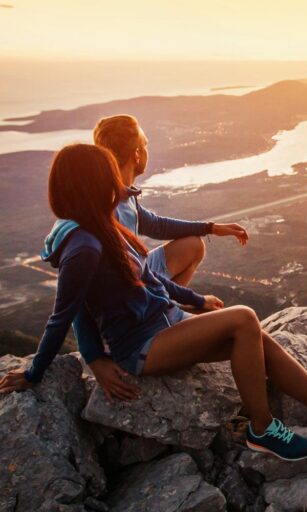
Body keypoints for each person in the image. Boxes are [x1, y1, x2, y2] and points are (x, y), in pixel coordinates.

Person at [0, 144, 307, 461]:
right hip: (143, 347)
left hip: (167, 323)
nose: (118, 181)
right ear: (93, 184)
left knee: (256, 338)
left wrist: (197, 301)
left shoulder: (104, 226)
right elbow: (65, 313)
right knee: (245, 318)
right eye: (109, 175)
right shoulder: (82, 245)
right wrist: (42, 371)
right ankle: (263, 429)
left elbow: (152, 280)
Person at [85, 114, 249, 401]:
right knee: (237, 322)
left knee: (193, 245)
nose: (148, 148)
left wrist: (211, 228)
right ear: (136, 154)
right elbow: (79, 291)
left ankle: (169, 306)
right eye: (145, 144)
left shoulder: (125, 194)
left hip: (139, 275)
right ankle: (167, 315)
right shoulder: (104, 207)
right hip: (128, 295)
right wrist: (94, 357)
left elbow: (155, 224)